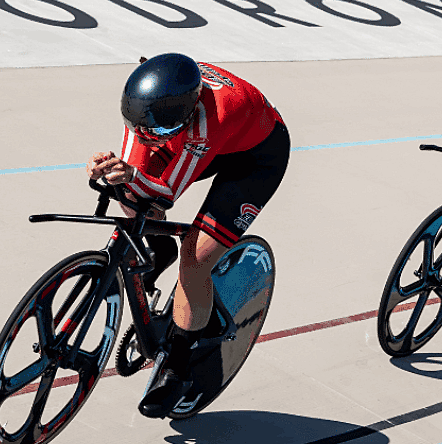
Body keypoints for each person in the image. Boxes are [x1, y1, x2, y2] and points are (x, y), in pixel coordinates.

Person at [85, 53, 289, 418]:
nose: (146, 136)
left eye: (157, 132)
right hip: (206, 136)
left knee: (195, 258)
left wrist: (132, 175)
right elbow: (136, 168)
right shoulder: (146, 105)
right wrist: (115, 171)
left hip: (256, 158)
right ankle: (158, 250)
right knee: (128, 191)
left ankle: (177, 367)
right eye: (138, 124)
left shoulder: (210, 119)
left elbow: (166, 193)